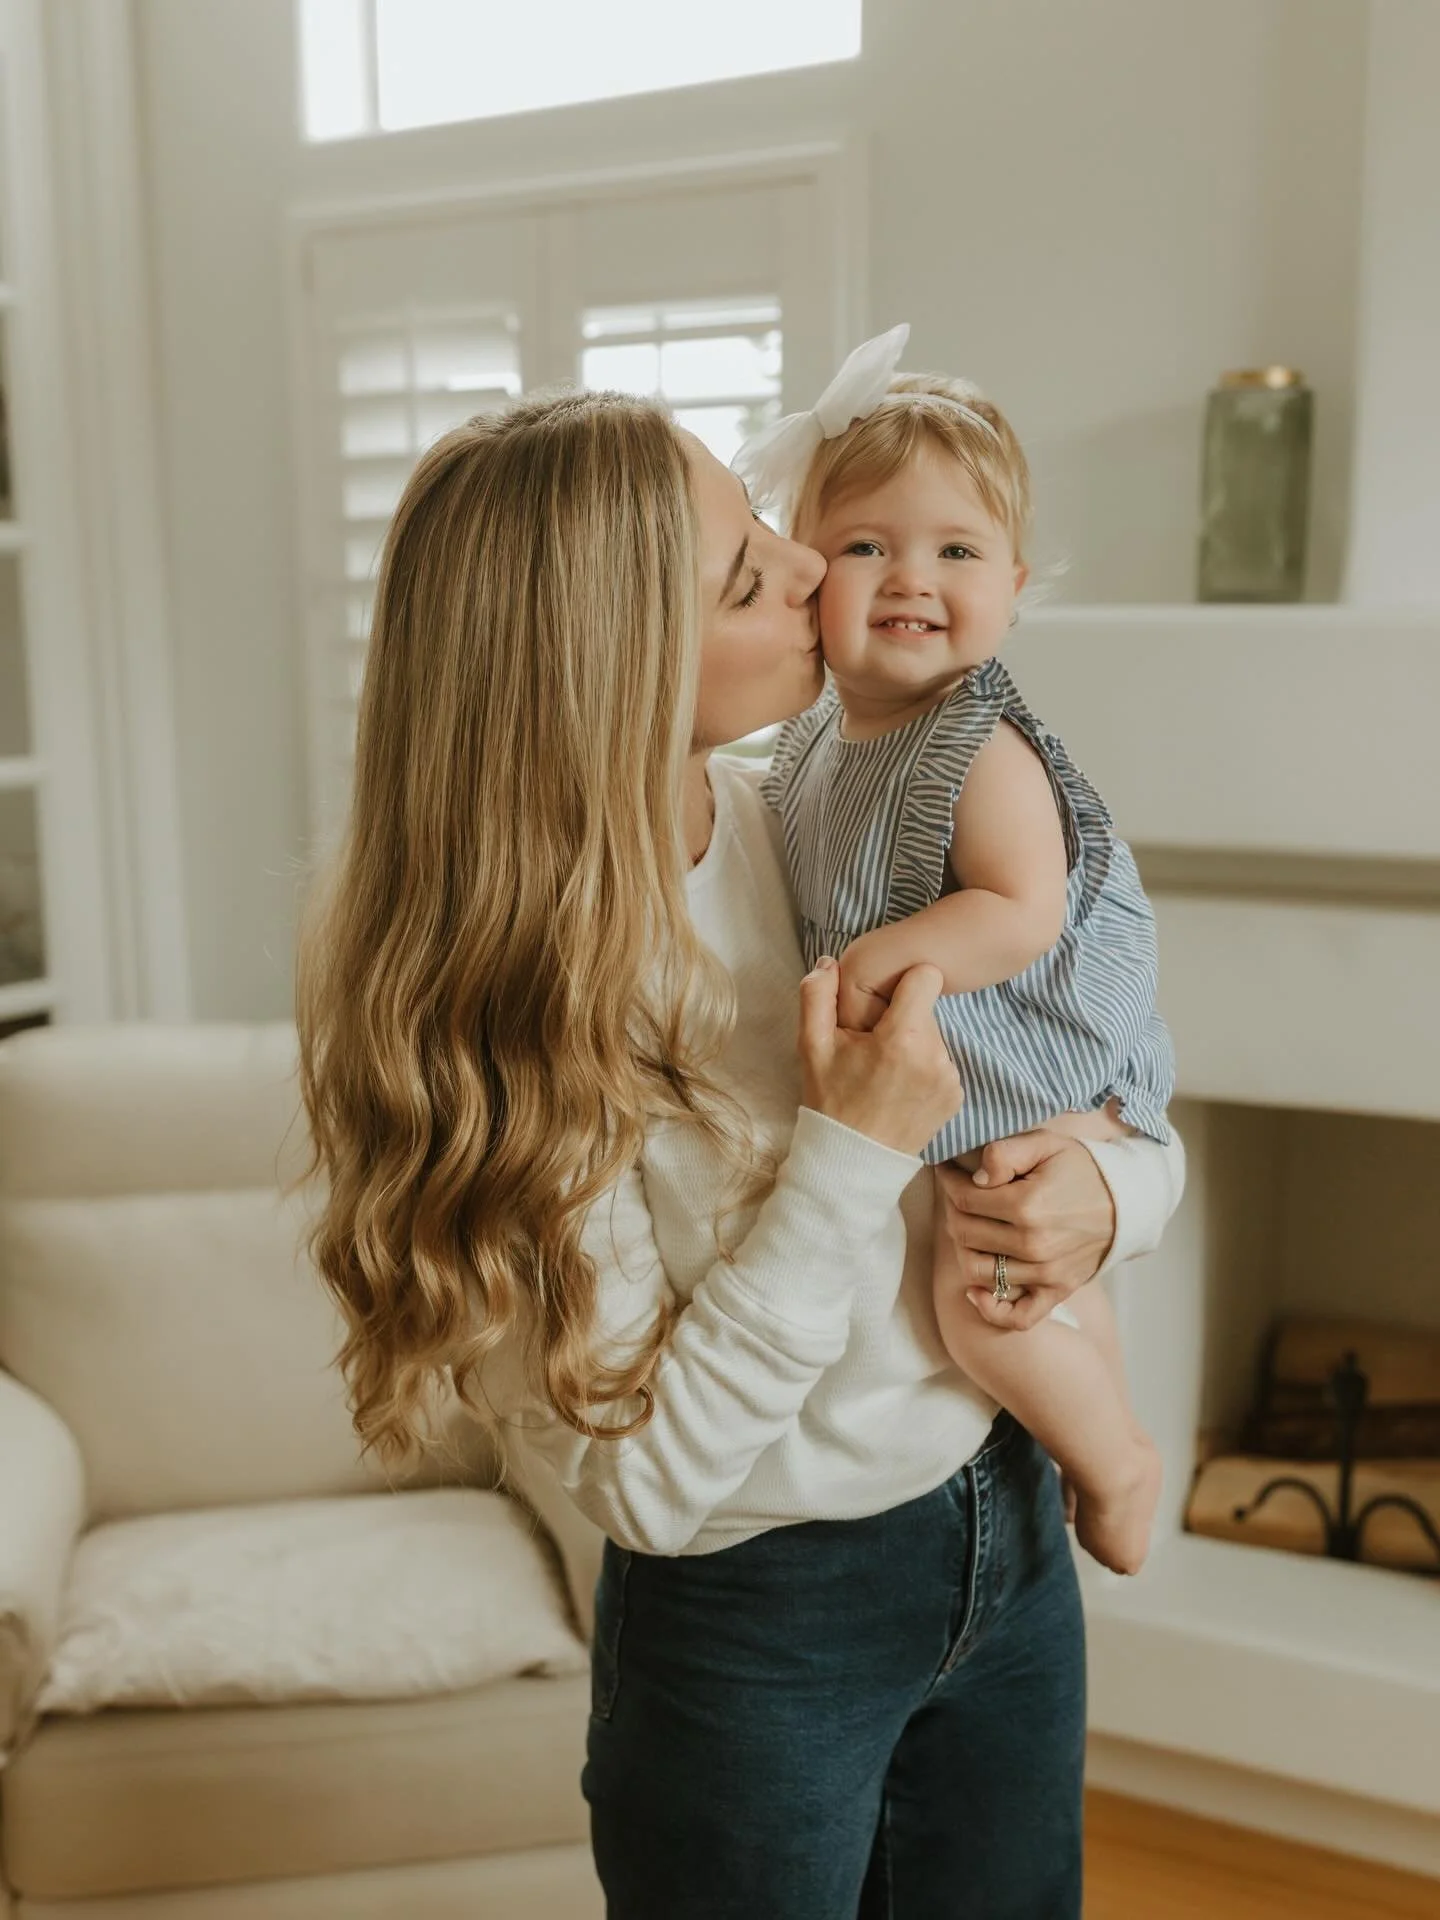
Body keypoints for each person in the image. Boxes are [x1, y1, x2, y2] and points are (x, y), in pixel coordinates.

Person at [295, 386, 1185, 1919]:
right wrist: (849, 1150)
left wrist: (1111, 1198)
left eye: (774, 527)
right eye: (746, 569)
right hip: (765, 1622)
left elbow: (1094, 1057)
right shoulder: (513, 1011)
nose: (811, 570)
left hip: (1005, 1520)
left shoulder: (818, 818)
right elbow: (652, 1485)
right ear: (608, 661)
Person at [738, 323, 1174, 1576]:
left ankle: (1116, 1460)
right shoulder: (814, 741)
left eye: (957, 550)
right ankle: (1103, 1415)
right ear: (807, 571)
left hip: (1032, 1057)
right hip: (955, 1078)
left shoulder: (974, 745)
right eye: (865, 544)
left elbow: (1020, 907)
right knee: (1023, 1282)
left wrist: (882, 958)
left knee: (978, 1313)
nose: (908, 577)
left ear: (1018, 585)